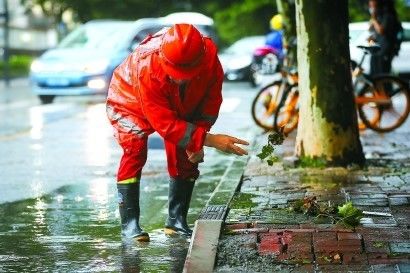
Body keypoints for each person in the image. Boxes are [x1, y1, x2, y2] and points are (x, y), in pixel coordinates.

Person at [106, 23, 249, 242]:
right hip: (130, 99)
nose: (180, 78)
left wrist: (198, 140)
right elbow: (165, 124)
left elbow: (210, 102)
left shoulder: (209, 56)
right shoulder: (148, 65)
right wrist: (209, 140)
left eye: (185, 73)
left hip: (181, 102)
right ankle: (129, 225)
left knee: (186, 157)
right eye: (176, 73)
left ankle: (176, 222)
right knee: (134, 151)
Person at [368, 0, 400, 76]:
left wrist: (374, 19)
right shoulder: (379, 16)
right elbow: (370, 29)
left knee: (383, 74)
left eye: (372, 3)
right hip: (377, 49)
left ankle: (386, 88)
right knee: (374, 74)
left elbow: (381, 30)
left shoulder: (388, 15)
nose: (370, 5)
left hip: (385, 50)